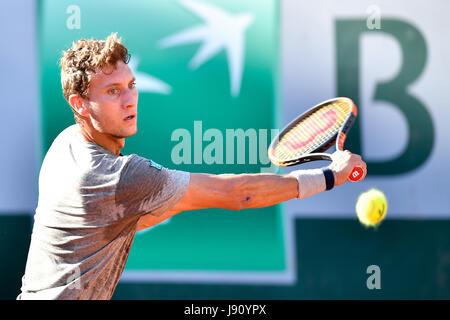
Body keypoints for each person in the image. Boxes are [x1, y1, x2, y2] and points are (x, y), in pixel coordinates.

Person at [18, 33, 366, 300]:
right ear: (80, 104)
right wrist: (329, 176)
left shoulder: (66, 144)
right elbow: (238, 194)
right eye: (112, 91)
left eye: (131, 85)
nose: (130, 99)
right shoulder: (120, 176)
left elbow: (116, 222)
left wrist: (179, 197)